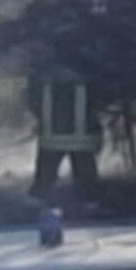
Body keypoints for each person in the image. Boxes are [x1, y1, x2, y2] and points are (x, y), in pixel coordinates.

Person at [29, 64, 104, 203]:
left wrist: (41, 119)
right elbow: (98, 105)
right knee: (86, 178)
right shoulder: (89, 80)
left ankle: (36, 205)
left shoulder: (43, 80)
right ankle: (91, 204)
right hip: (82, 141)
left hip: (50, 140)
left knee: (44, 178)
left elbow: (31, 102)